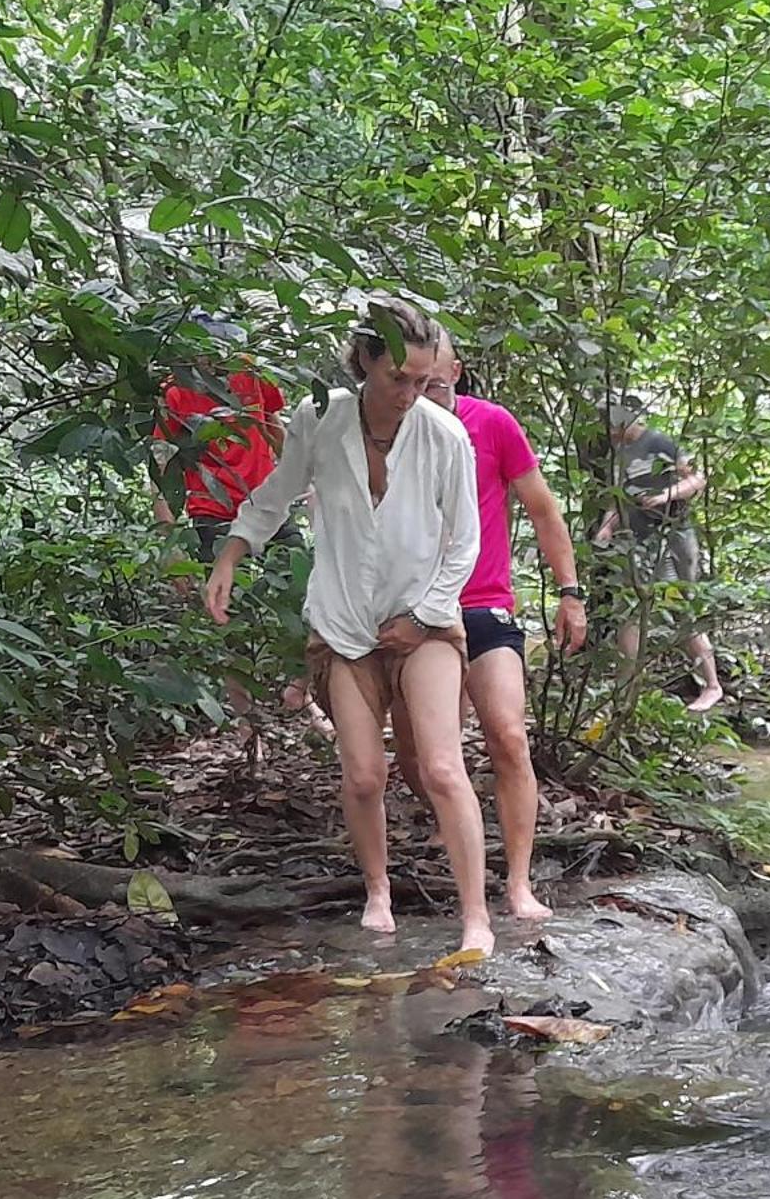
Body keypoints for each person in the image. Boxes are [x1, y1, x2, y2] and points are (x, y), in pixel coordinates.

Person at [203, 299, 494, 952]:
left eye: (424, 382)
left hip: (425, 618)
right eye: (398, 379)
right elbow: (276, 494)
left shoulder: (444, 435)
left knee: (443, 768)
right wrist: (230, 555)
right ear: (364, 359)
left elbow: (465, 544)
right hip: (341, 623)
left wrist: (422, 618)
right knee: (363, 774)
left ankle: (476, 916)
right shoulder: (319, 418)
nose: (411, 394)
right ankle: (377, 892)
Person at [417, 333, 586, 922]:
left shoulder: (491, 425)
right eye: (412, 384)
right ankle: (455, 852)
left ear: (455, 373)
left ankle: (517, 883)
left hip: (485, 604)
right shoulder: (387, 430)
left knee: (508, 736)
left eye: (433, 383)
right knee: (428, 757)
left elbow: (542, 509)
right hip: (416, 615)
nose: (424, 394)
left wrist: (569, 593)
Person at [595, 398, 723, 713]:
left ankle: (712, 686)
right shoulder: (619, 455)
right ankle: (626, 691)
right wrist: (606, 528)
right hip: (637, 541)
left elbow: (696, 479)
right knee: (629, 611)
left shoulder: (659, 442)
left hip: (673, 534)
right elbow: (619, 498)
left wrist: (665, 496)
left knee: (681, 610)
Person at [152, 316, 287, 565]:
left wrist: (302, 480)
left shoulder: (252, 373)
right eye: (209, 353)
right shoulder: (176, 393)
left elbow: (273, 426)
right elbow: (160, 470)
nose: (217, 362)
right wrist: (169, 546)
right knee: (224, 593)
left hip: (266, 499)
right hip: (213, 511)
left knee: (297, 575)